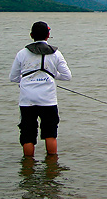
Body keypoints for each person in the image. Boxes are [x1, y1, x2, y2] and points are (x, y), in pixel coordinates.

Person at [9, 21, 72, 157]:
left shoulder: (22, 53)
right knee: (50, 134)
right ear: (48, 35)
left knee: (27, 135)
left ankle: (28, 168)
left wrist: (26, 81)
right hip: (48, 100)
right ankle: (52, 167)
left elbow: (13, 77)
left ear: (31, 35)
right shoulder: (56, 54)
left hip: (27, 100)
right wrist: (52, 75)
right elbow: (67, 76)